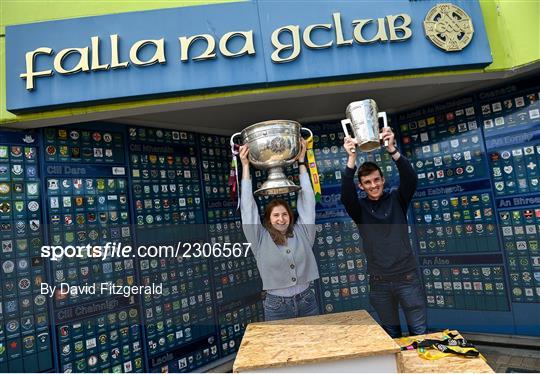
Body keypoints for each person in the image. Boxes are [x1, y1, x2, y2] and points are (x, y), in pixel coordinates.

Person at [340, 127, 427, 338]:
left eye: (376, 180)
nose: (373, 185)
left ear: (383, 180)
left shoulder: (398, 199)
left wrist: (392, 150)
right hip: (379, 282)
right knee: (391, 336)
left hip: (407, 278)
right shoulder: (359, 209)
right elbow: (345, 195)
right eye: (367, 182)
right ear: (361, 186)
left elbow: (410, 179)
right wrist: (351, 158)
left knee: (420, 334)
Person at [239, 139, 320, 321]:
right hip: (276, 305)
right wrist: (245, 166)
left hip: (307, 300)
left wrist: (301, 162)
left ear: (290, 217)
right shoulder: (259, 238)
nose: (281, 219)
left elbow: (308, 201)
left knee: (312, 347)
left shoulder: (303, 233)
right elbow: (247, 210)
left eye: (285, 214)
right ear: (268, 219)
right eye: (276, 215)